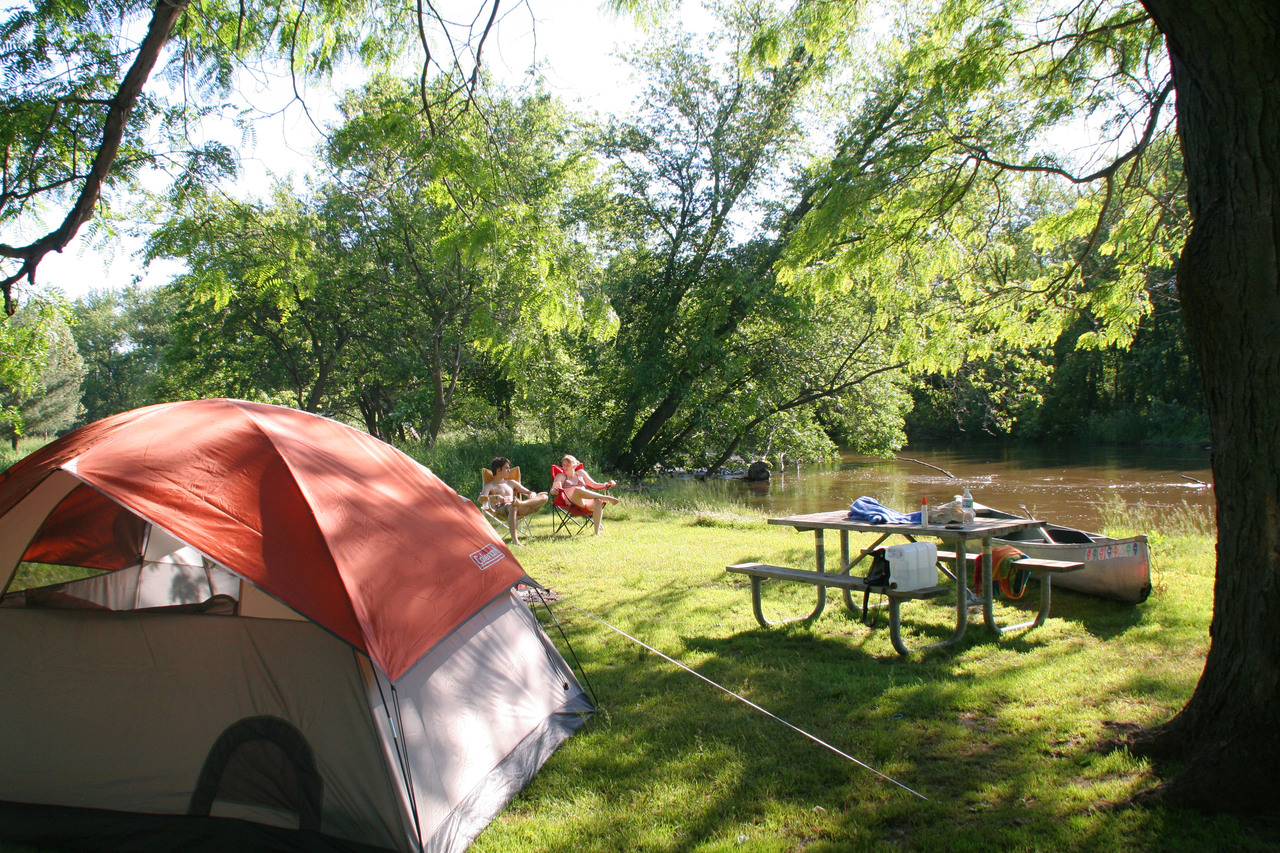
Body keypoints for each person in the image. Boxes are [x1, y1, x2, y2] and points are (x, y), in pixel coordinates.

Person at [479, 457, 548, 546]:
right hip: (501, 509)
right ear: (498, 469)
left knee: (544, 497)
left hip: (517, 507)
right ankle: (515, 540)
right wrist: (495, 498)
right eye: (506, 468)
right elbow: (480, 499)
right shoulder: (490, 486)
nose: (509, 470)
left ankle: (521, 503)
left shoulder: (511, 482)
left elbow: (529, 492)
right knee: (513, 506)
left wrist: (532, 495)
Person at [550, 454, 618, 535]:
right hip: (571, 502)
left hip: (585, 502)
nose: (565, 467)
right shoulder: (561, 476)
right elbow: (554, 488)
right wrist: (554, 490)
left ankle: (597, 532)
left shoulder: (581, 473)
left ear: (574, 465)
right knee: (577, 489)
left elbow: (594, 485)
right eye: (563, 465)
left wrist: (607, 484)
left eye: (568, 465)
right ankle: (606, 497)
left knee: (598, 501)